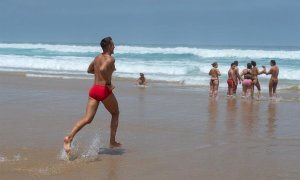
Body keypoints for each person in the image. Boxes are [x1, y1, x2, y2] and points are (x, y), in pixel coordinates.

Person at [63, 37, 121, 155]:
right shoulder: (110, 59)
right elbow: (103, 68)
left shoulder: (97, 57)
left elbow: (89, 70)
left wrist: (99, 74)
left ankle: (69, 137)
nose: (114, 46)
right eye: (113, 44)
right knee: (115, 113)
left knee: (87, 119)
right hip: (104, 90)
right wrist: (109, 83)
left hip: (94, 90)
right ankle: (112, 141)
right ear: (109, 46)